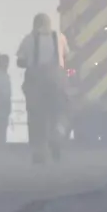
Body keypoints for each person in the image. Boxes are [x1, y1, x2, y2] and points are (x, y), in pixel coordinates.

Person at [16, 12, 69, 163]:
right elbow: (65, 56)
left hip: (36, 83)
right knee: (59, 112)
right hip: (57, 81)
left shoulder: (29, 39)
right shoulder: (60, 37)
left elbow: (20, 61)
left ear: (35, 24)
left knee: (36, 117)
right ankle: (57, 135)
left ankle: (39, 152)